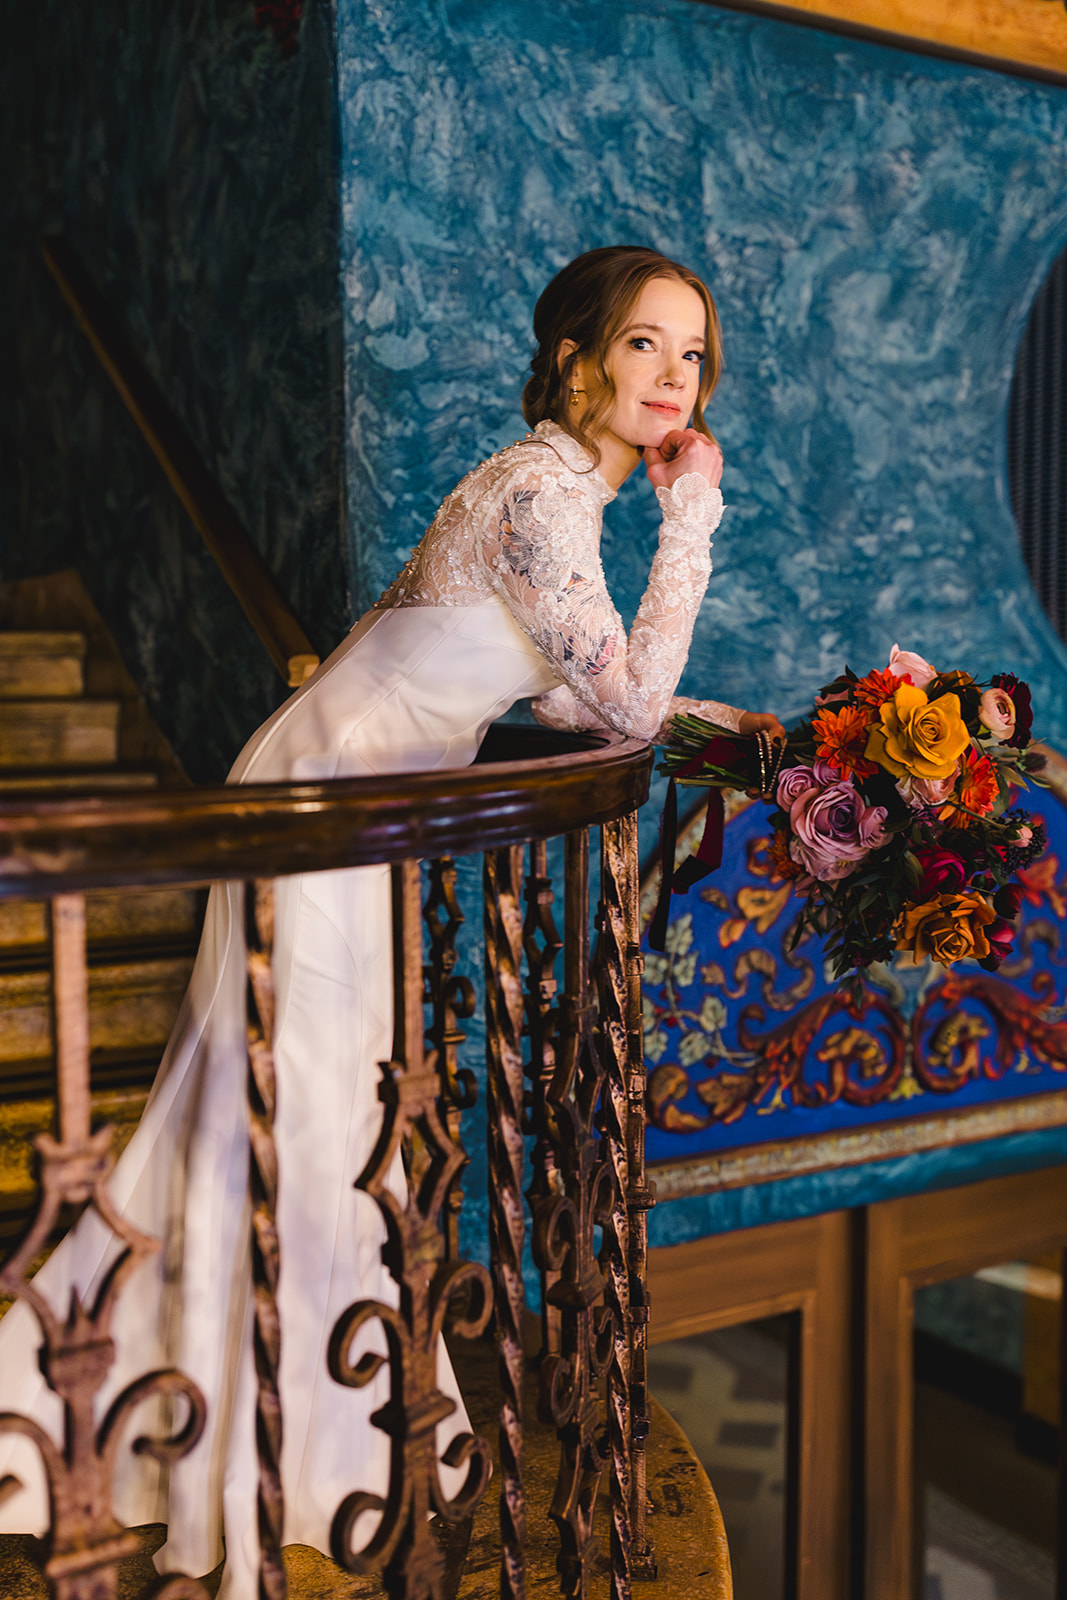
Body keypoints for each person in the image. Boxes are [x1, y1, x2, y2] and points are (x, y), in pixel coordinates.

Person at [0, 245, 784, 1594]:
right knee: (304, 1100)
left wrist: (716, 721)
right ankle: (263, 1434)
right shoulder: (545, 491)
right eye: (646, 346)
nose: (673, 378)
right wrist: (697, 514)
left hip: (349, 800)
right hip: (321, 803)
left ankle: (263, 1400)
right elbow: (628, 705)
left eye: (694, 355)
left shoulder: (553, 492)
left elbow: (559, 693)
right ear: (577, 360)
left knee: (303, 1097)